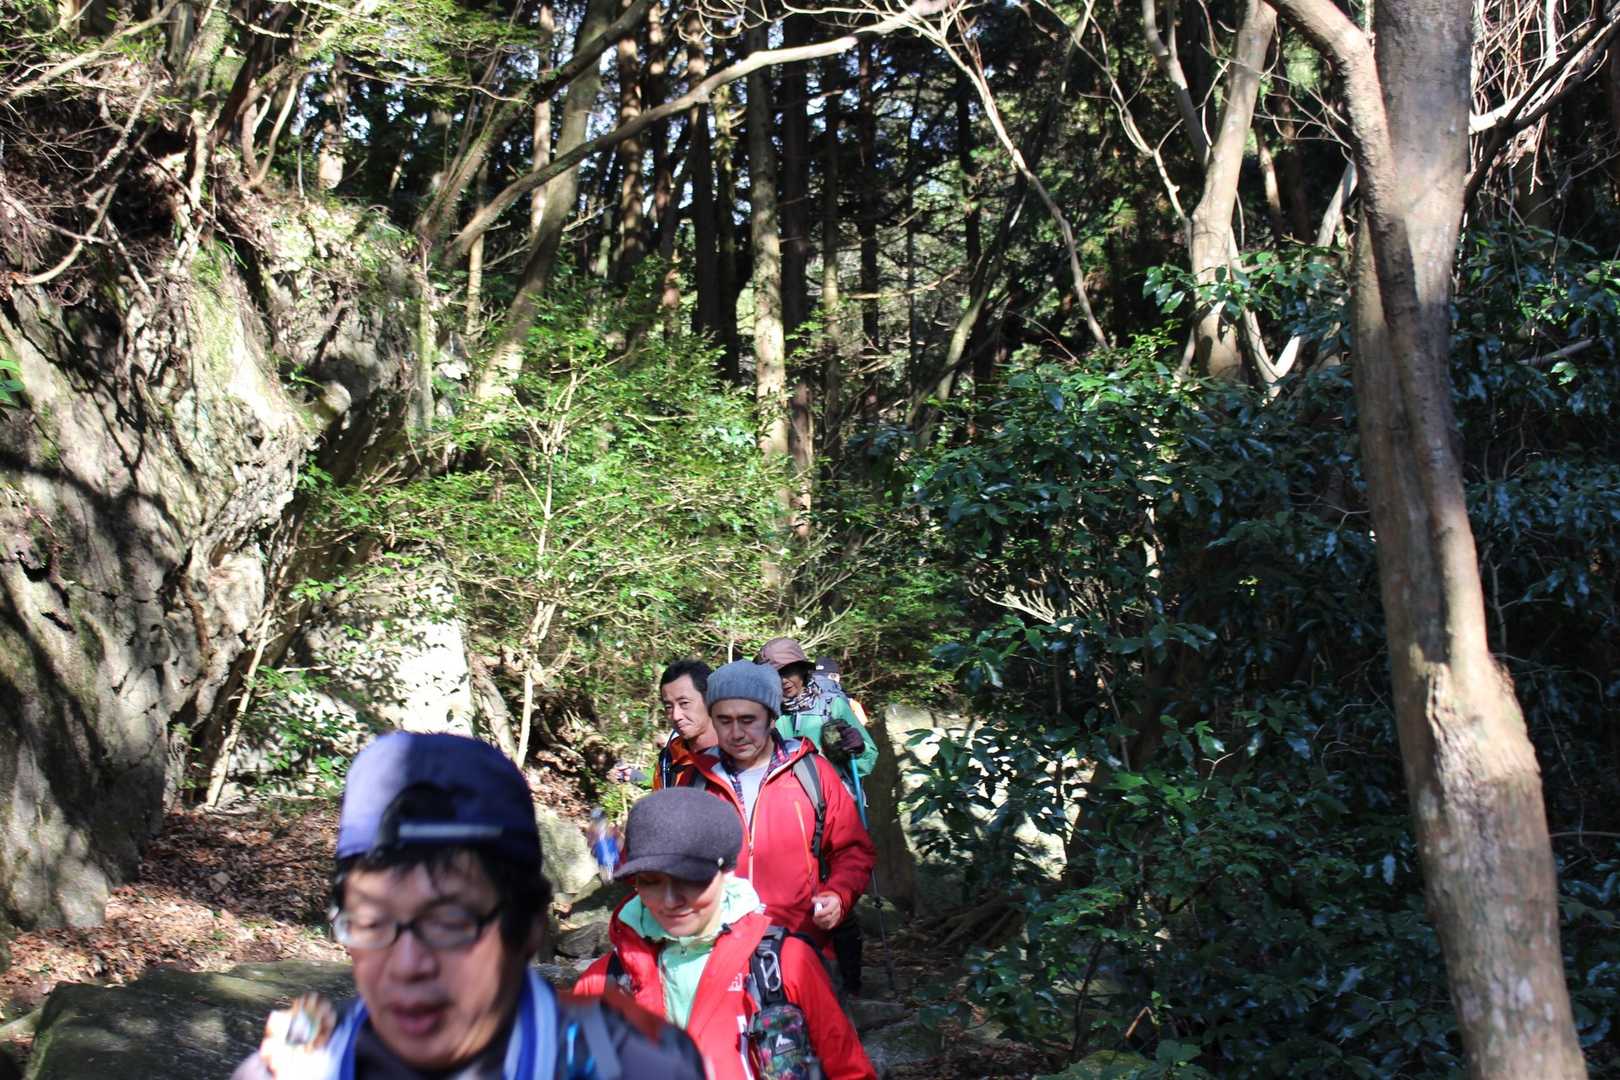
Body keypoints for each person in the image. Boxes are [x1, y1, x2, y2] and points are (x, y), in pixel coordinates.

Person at [231, 731, 705, 1080]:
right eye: (371, 922)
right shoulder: (296, 1066)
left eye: (450, 922)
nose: (407, 965)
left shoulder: (633, 1064)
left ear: (528, 927)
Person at [574, 789, 877, 1080]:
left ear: (727, 871)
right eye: (650, 881)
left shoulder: (786, 964)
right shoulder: (601, 983)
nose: (670, 900)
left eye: (690, 880)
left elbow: (849, 1071)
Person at [675, 660, 875, 948]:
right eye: (724, 721)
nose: (736, 733)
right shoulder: (696, 780)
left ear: (771, 718)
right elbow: (671, 859)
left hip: (802, 943)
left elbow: (852, 849)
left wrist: (838, 895)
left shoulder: (812, 773)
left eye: (748, 720)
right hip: (717, 946)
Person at [756, 638, 878, 787]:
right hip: (783, 795)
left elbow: (869, 760)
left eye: (787, 671)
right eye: (775, 675)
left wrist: (860, 749)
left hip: (831, 793)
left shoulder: (833, 705)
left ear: (802, 669)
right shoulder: (765, 714)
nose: (783, 680)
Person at [653, 659, 718, 789]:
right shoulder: (669, 761)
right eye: (668, 707)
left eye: (684, 703)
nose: (676, 716)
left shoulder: (740, 753)